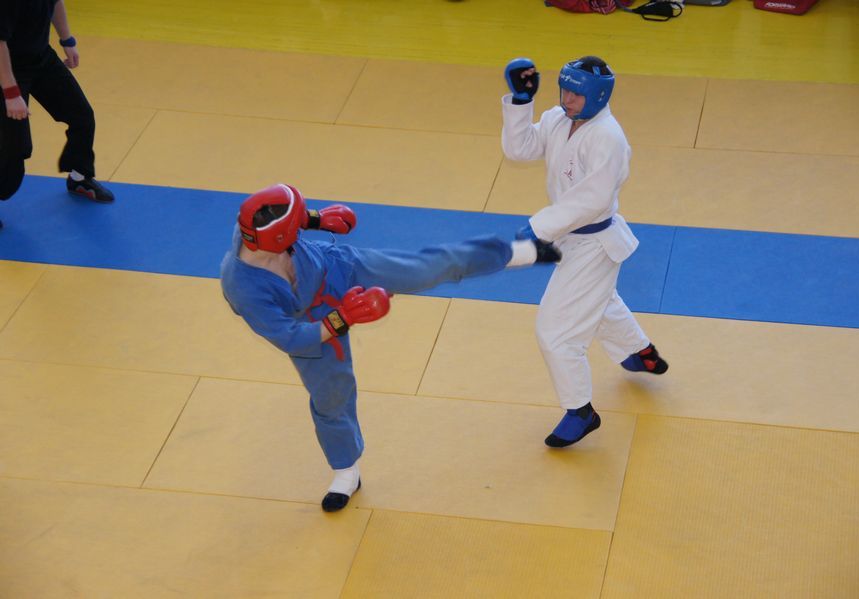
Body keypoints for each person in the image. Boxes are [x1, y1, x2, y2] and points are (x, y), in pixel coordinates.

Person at [221, 183, 560, 512]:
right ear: (281, 238)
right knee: (330, 398)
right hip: (312, 325)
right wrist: (342, 318)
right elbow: (290, 337)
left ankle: (517, 252)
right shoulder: (244, 289)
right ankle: (346, 472)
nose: (299, 228)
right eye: (296, 226)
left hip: (340, 269)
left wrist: (317, 219)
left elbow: (282, 221)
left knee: (425, 267)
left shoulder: (254, 227)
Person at [501, 55, 669, 449]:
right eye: (563, 90)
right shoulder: (558, 118)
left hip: (593, 243)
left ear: (598, 96)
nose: (567, 99)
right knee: (599, 301)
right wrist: (522, 103)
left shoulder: (608, 138)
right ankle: (639, 352)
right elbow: (520, 150)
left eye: (576, 94)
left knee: (555, 332)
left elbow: (594, 199)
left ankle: (580, 411)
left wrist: (539, 228)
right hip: (569, 236)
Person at [0, 0, 114, 229]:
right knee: (14, 150)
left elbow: (56, 2)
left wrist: (67, 40)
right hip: (8, 67)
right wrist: (11, 93)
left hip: (40, 57)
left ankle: (79, 178)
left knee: (82, 116)